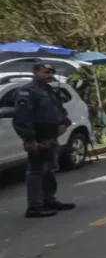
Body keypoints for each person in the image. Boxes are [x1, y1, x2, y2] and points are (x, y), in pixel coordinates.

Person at [12, 62, 77, 218]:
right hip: (38, 135)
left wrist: (64, 123)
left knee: (49, 169)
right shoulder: (27, 91)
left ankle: (49, 200)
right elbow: (22, 117)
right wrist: (29, 139)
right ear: (35, 72)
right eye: (45, 72)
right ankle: (35, 206)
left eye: (50, 72)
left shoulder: (49, 91)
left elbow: (60, 111)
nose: (49, 75)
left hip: (51, 135)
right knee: (36, 171)